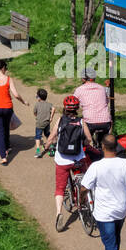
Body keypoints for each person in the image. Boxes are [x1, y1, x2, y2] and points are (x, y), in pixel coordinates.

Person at [46, 95, 94, 224]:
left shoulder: (61, 120)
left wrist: (46, 146)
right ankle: (86, 202)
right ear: (77, 108)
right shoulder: (81, 121)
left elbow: (52, 137)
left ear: (65, 108)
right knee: (84, 182)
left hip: (62, 160)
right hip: (78, 158)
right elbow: (89, 139)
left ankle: (59, 213)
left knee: (60, 188)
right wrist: (87, 143)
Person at [0, 60, 27, 166]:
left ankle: (3, 157)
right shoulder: (8, 79)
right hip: (7, 108)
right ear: (3, 68)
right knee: (6, 127)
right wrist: (24, 102)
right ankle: (7, 146)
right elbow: (16, 95)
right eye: (6, 68)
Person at [74, 68, 112, 146]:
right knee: (103, 141)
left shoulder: (79, 90)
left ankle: (84, 151)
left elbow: (73, 103)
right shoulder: (102, 88)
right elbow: (106, 101)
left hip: (90, 122)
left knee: (84, 141)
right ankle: (101, 147)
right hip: (105, 121)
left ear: (84, 79)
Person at [31, 89, 53, 157]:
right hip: (47, 123)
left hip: (39, 124)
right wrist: (51, 117)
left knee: (38, 136)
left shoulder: (37, 104)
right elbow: (54, 109)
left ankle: (38, 151)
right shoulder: (49, 104)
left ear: (39, 97)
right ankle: (51, 148)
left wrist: (37, 115)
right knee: (47, 134)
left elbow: (34, 112)